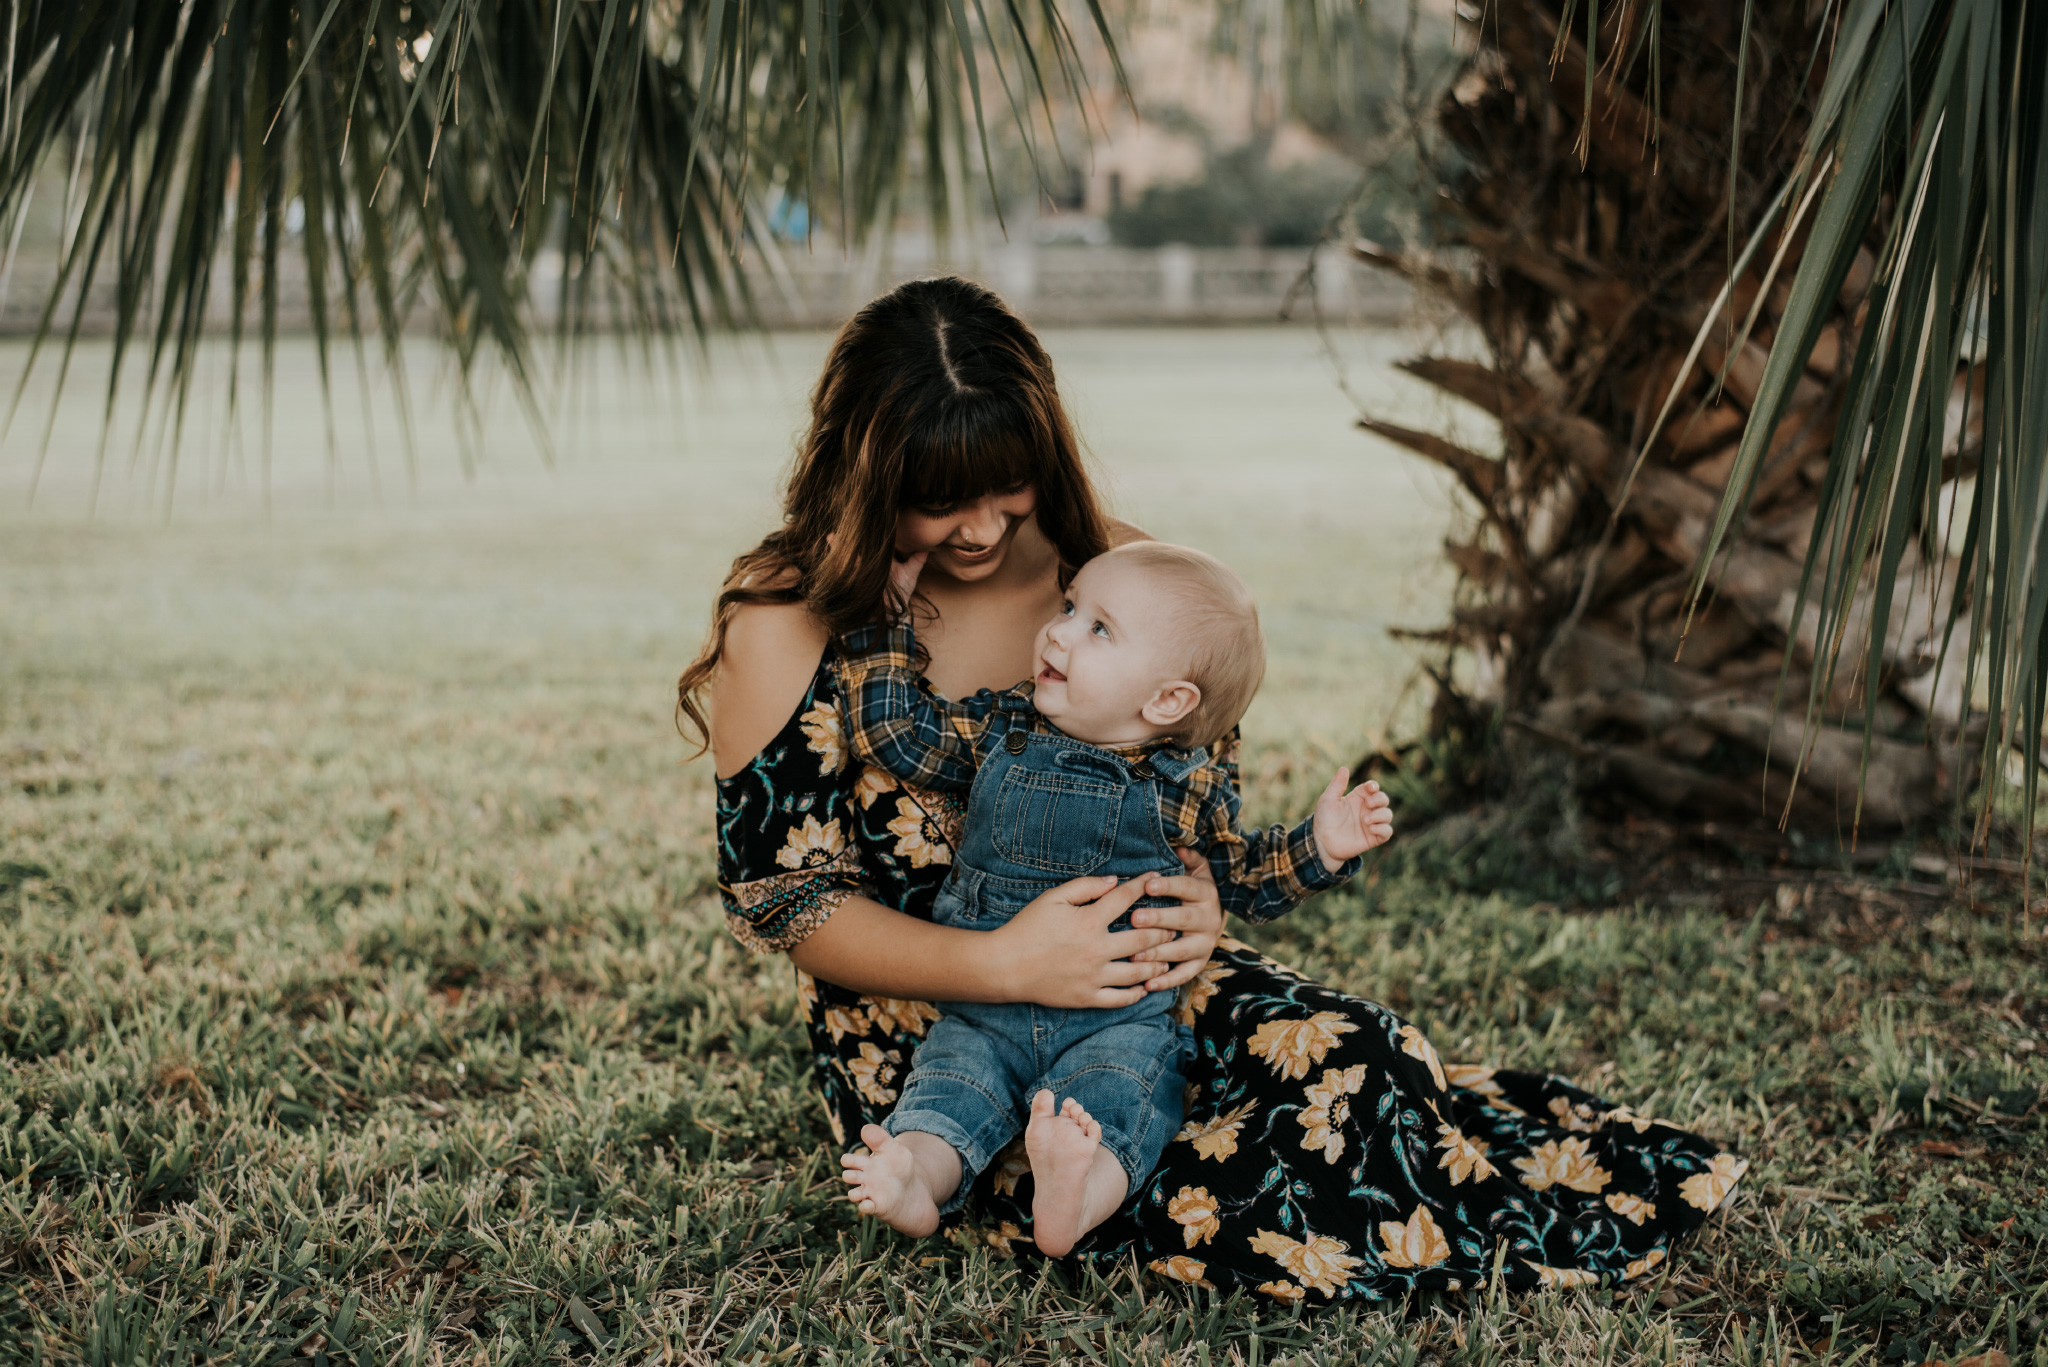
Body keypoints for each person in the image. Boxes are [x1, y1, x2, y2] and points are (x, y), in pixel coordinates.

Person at [682, 275, 1746, 1300]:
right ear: (868, 480)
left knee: (1363, 1066)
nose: (977, 529)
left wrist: (1197, 908)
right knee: (1222, 1181)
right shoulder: (789, 620)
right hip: (933, 1027)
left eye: (1002, 485)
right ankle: (1010, 1174)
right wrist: (1005, 959)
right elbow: (788, 905)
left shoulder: (1119, 579)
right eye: (934, 499)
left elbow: (1199, 819)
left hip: (1131, 998)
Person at [833, 541, 1394, 1254]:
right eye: (1070, 609)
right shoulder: (1003, 725)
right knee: (946, 1093)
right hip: (983, 1011)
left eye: (1098, 628)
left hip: (1115, 1019)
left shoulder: (1183, 785)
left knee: (1118, 1105)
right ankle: (917, 1176)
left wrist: (1320, 845)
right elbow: (901, 735)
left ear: (1166, 700)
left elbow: (1239, 872)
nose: (1059, 630)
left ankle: (1073, 1191)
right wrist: (884, 621)